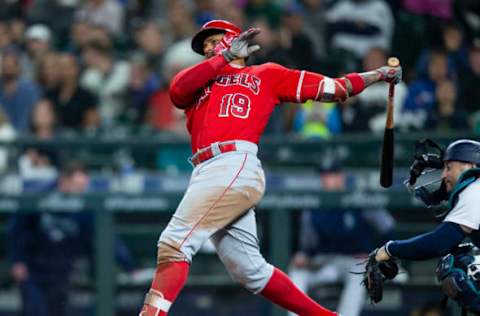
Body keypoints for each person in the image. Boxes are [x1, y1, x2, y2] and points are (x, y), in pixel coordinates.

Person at [139, 19, 402, 316]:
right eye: (206, 44)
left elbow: (336, 88)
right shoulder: (198, 81)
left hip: (232, 162)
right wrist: (223, 57)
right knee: (250, 271)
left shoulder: (266, 74)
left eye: (217, 39)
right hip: (207, 170)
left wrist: (379, 74)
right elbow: (176, 91)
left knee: (174, 243)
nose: (210, 46)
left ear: (240, 42)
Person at [374, 139, 480, 313]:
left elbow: (437, 243)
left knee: (461, 268)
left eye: (448, 167)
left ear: (470, 165)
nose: (443, 175)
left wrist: (389, 249)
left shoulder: (476, 190)